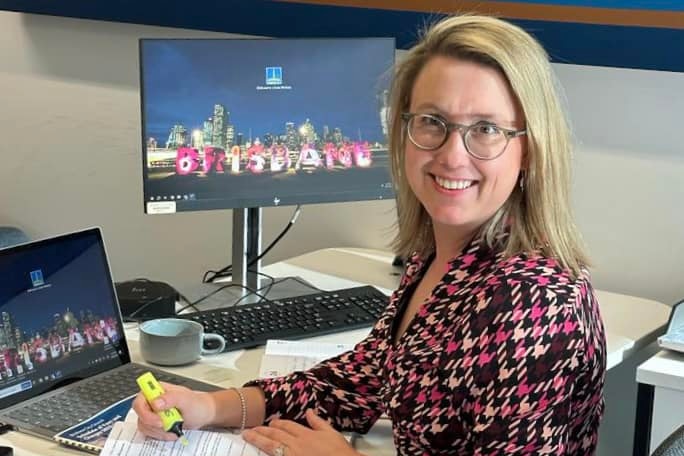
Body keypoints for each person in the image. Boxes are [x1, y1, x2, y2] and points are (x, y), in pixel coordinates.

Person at [133, 14, 606, 455]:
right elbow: (363, 378)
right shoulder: (442, 255)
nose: (452, 156)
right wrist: (212, 407)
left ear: (530, 148)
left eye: (485, 129)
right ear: (402, 131)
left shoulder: (531, 305)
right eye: (431, 122)